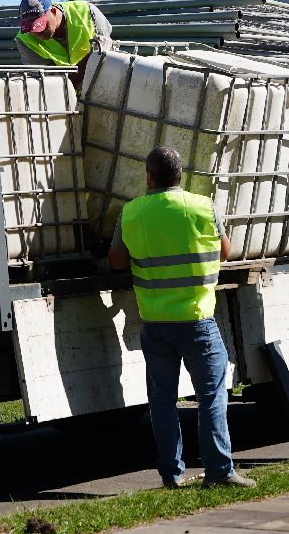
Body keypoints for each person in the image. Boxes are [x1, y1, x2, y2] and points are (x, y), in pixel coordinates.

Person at [108, 146, 256, 490]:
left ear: (149, 177)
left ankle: (171, 474)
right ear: (180, 176)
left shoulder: (131, 212)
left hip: (155, 322)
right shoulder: (203, 206)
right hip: (197, 319)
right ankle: (219, 471)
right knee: (211, 396)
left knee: (162, 401)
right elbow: (225, 251)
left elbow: (116, 261)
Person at [16, 0, 115, 89]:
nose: (38, 32)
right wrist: (91, 60)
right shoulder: (25, 40)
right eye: (31, 28)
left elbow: (104, 64)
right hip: (62, 97)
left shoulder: (88, 12)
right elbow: (51, 85)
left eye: (41, 25)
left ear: (53, 11)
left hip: (100, 90)